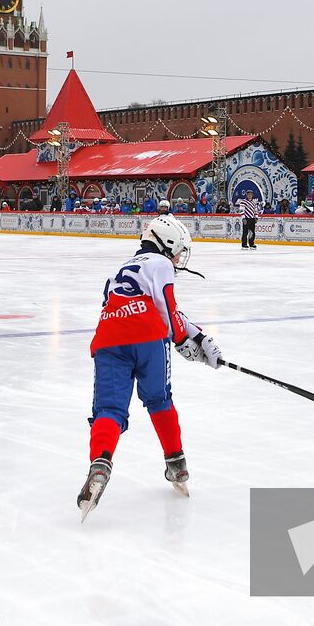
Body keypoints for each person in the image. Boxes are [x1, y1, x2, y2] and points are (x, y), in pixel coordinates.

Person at [79, 215, 221, 519]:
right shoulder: (162, 265)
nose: (180, 256)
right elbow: (166, 308)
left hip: (108, 338)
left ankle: (100, 464)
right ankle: (176, 464)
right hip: (147, 336)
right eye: (179, 249)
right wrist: (184, 341)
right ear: (167, 244)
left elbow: (147, 305)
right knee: (158, 399)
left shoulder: (122, 269)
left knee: (109, 410)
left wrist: (199, 335)